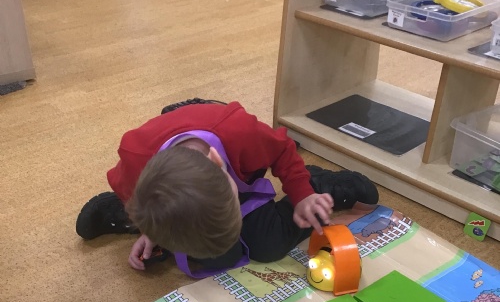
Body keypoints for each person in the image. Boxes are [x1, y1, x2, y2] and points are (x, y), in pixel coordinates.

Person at [76, 99, 379, 278]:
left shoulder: (242, 133)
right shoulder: (134, 157)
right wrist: (149, 230)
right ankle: (125, 214)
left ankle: (321, 183)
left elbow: (282, 149)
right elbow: (128, 188)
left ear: (218, 162)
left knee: (268, 245)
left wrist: (303, 194)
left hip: (226, 135)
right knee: (218, 256)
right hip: (168, 176)